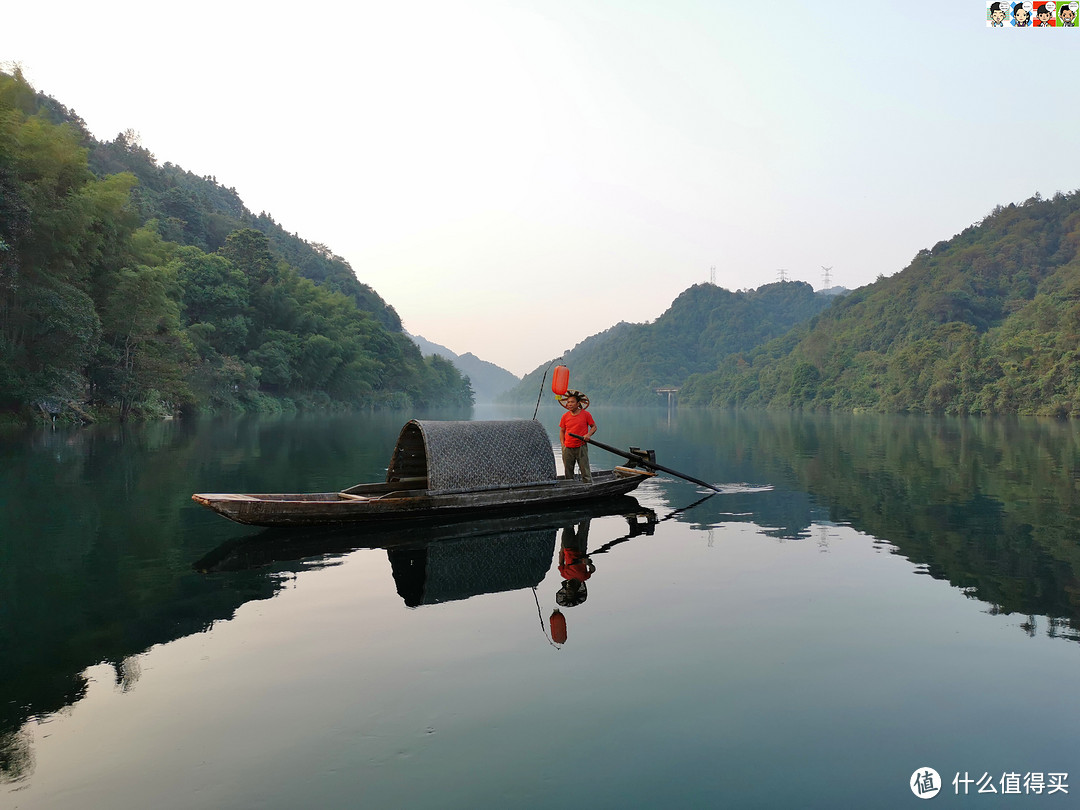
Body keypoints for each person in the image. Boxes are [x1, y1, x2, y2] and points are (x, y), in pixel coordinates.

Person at [559, 392, 596, 483]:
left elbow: (594, 427)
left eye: (572, 402)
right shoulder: (565, 416)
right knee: (568, 472)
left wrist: (588, 435)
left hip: (581, 446)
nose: (569, 404)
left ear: (578, 403)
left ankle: (588, 486)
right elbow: (562, 431)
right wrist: (563, 445)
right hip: (568, 448)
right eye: (568, 402)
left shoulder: (586, 414)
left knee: (585, 470)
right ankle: (570, 487)